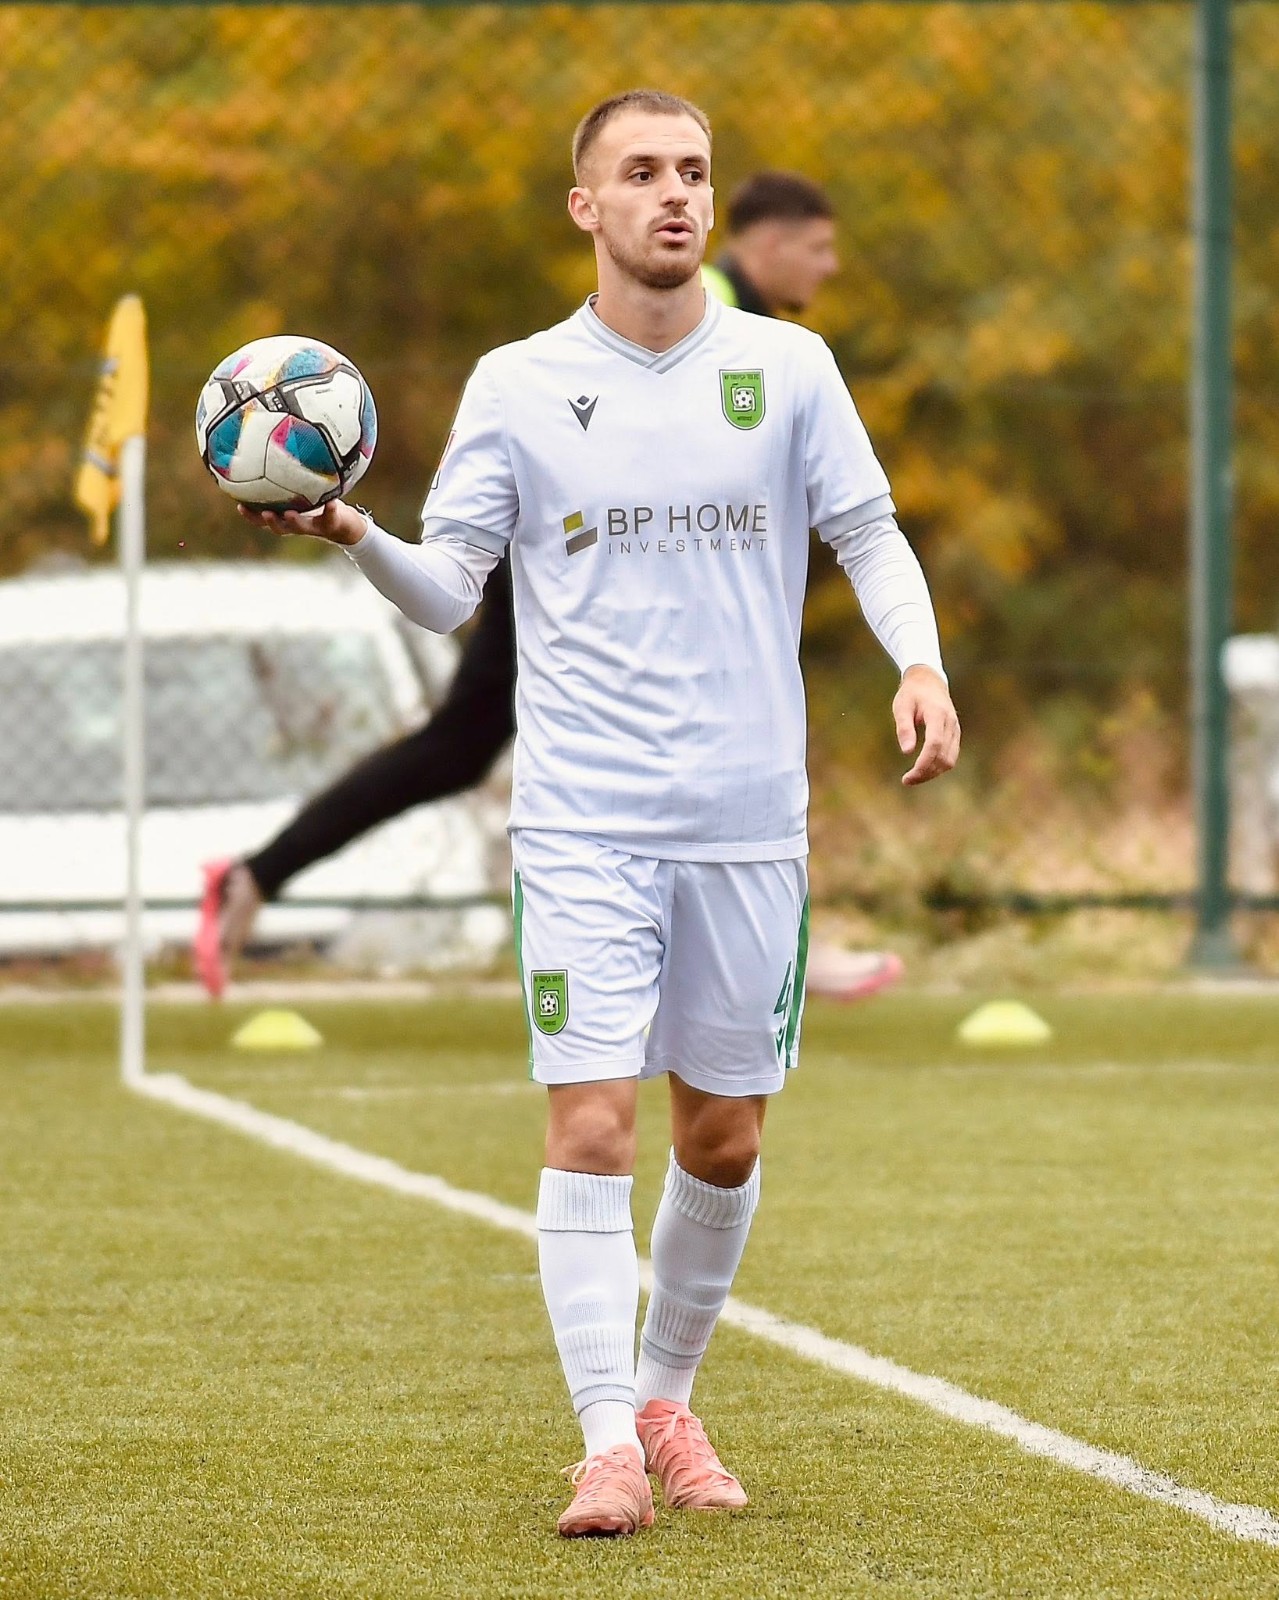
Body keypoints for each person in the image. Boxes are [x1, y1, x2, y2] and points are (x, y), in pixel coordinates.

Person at [230, 89, 959, 1536]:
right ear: (587, 208)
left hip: (747, 817)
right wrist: (355, 531)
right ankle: (605, 1444)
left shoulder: (787, 366)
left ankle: (667, 1397)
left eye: (691, 171)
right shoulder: (516, 384)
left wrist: (920, 664)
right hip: (582, 823)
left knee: (722, 1141)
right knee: (589, 1125)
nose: (673, 194)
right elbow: (452, 591)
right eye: (641, 172)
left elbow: (867, 532)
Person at [194, 171, 903, 1005]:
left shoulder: (761, 333)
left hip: (610, 569)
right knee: (483, 745)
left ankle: (254, 875)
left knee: (460, 749)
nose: (829, 267)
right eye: (818, 248)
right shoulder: (709, 302)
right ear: (770, 242)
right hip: (584, 569)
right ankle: (771, 950)